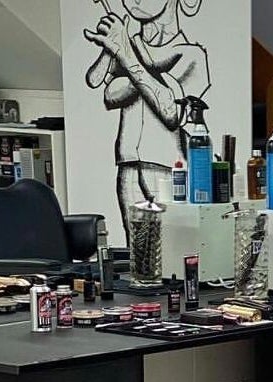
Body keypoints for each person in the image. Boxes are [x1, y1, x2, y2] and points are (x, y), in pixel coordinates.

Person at [84, 0, 210, 242]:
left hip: (170, 170)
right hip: (129, 164)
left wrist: (127, 56)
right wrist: (115, 48)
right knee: (138, 256)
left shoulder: (191, 54)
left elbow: (170, 112)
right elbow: (106, 91)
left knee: (174, 252)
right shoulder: (128, 45)